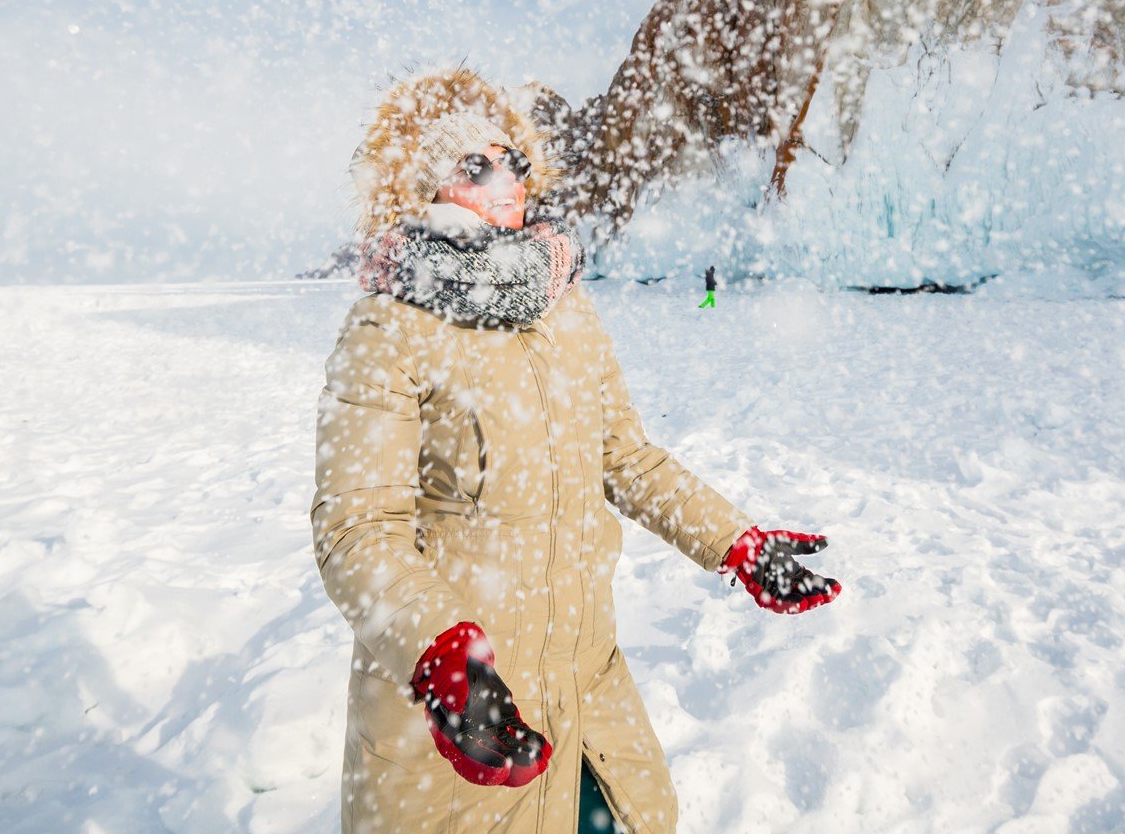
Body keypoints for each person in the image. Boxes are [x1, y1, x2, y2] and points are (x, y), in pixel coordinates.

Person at [312, 68, 840, 834]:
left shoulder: (567, 310)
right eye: (475, 165)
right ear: (426, 180)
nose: (507, 182)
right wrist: (446, 662)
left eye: (515, 163)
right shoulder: (387, 329)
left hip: (583, 694)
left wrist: (737, 543)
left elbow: (625, 457)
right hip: (466, 715)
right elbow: (357, 531)